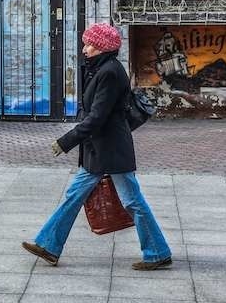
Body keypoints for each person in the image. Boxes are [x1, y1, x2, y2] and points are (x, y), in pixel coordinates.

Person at [22, 22, 172, 271]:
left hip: (111, 150)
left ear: (102, 47)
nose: (84, 48)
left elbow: (97, 116)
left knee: (132, 201)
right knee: (73, 197)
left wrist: (66, 141)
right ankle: (49, 245)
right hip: (99, 149)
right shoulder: (99, 69)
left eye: (89, 44)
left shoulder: (110, 73)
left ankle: (157, 252)